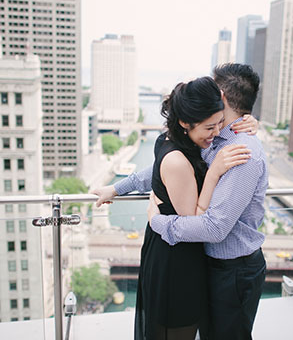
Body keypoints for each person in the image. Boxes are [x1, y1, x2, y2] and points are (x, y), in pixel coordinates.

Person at [92, 63, 268, 340]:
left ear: (220, 96)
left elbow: (214, 229)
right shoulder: (214, 138)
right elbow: (168, 168)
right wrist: (117, 188)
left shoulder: (241, 153)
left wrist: (159, 221)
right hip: (207, 262)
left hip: (233, 269)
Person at [134, 76, 251, 339]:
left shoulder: (173, 138)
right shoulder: (176, 160)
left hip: (176, 250)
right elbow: (194, 222)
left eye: (221, 122)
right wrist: (214, 173)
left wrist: (248, 123)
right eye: (210, 127)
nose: (218, 132)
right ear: (185, 122)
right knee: (177, 331)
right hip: (175, 259)